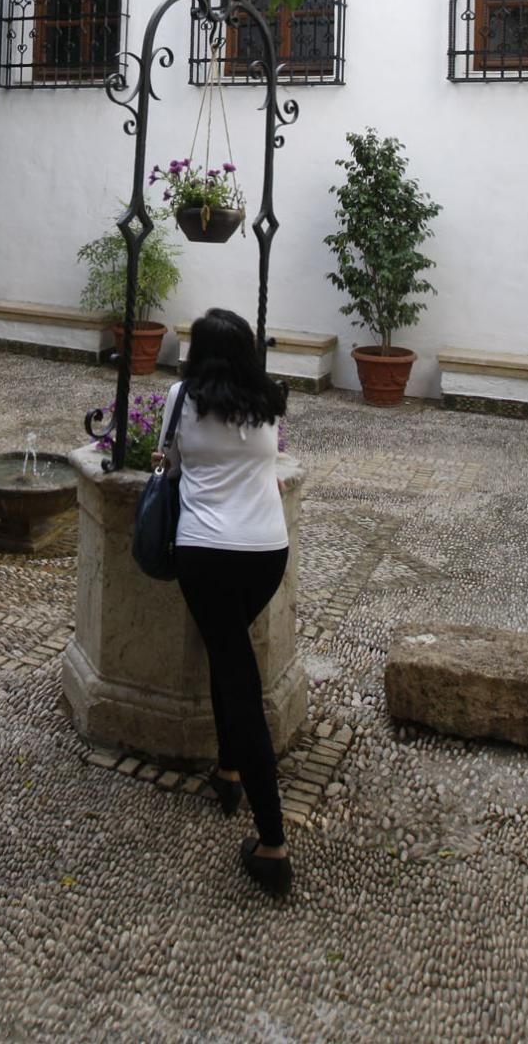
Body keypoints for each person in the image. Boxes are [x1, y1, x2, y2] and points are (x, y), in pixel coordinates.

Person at [153, 306, 292, 895]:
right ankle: (228, 769)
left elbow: (173, 467)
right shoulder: (268, 402)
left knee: (238, 682)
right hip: (266, 552)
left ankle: (273, 843)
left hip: (207, 553)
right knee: (226, 648)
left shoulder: (182, 398)